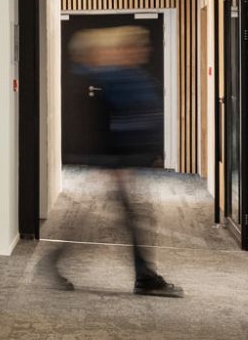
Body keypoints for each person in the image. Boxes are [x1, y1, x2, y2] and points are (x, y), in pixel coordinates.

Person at [43, 26, 182, 297]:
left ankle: (144, 276)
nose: (143, 51)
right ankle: (144, 278)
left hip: (124, 162)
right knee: (103, 223)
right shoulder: (102, 80)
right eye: (136, 46)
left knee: (113, 220)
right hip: (116, 163)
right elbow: (99, 124)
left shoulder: (125, 77)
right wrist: (111, 162)